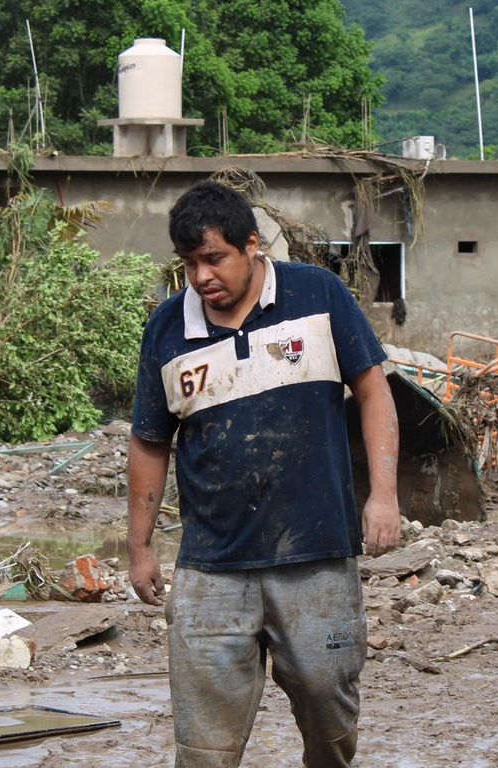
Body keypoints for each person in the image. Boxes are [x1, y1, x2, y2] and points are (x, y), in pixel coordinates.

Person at [126, 180, 401, 768]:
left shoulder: (318, 295)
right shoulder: (168, 329)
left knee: (329, 712)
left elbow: (374, 391)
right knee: (204, 744)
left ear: (252, 245)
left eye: (214, 258)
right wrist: (140, 546)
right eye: (189, 264)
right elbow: (150, 441)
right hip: (211, 565)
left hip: (318, 553)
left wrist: (383, 496)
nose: (202, 277)